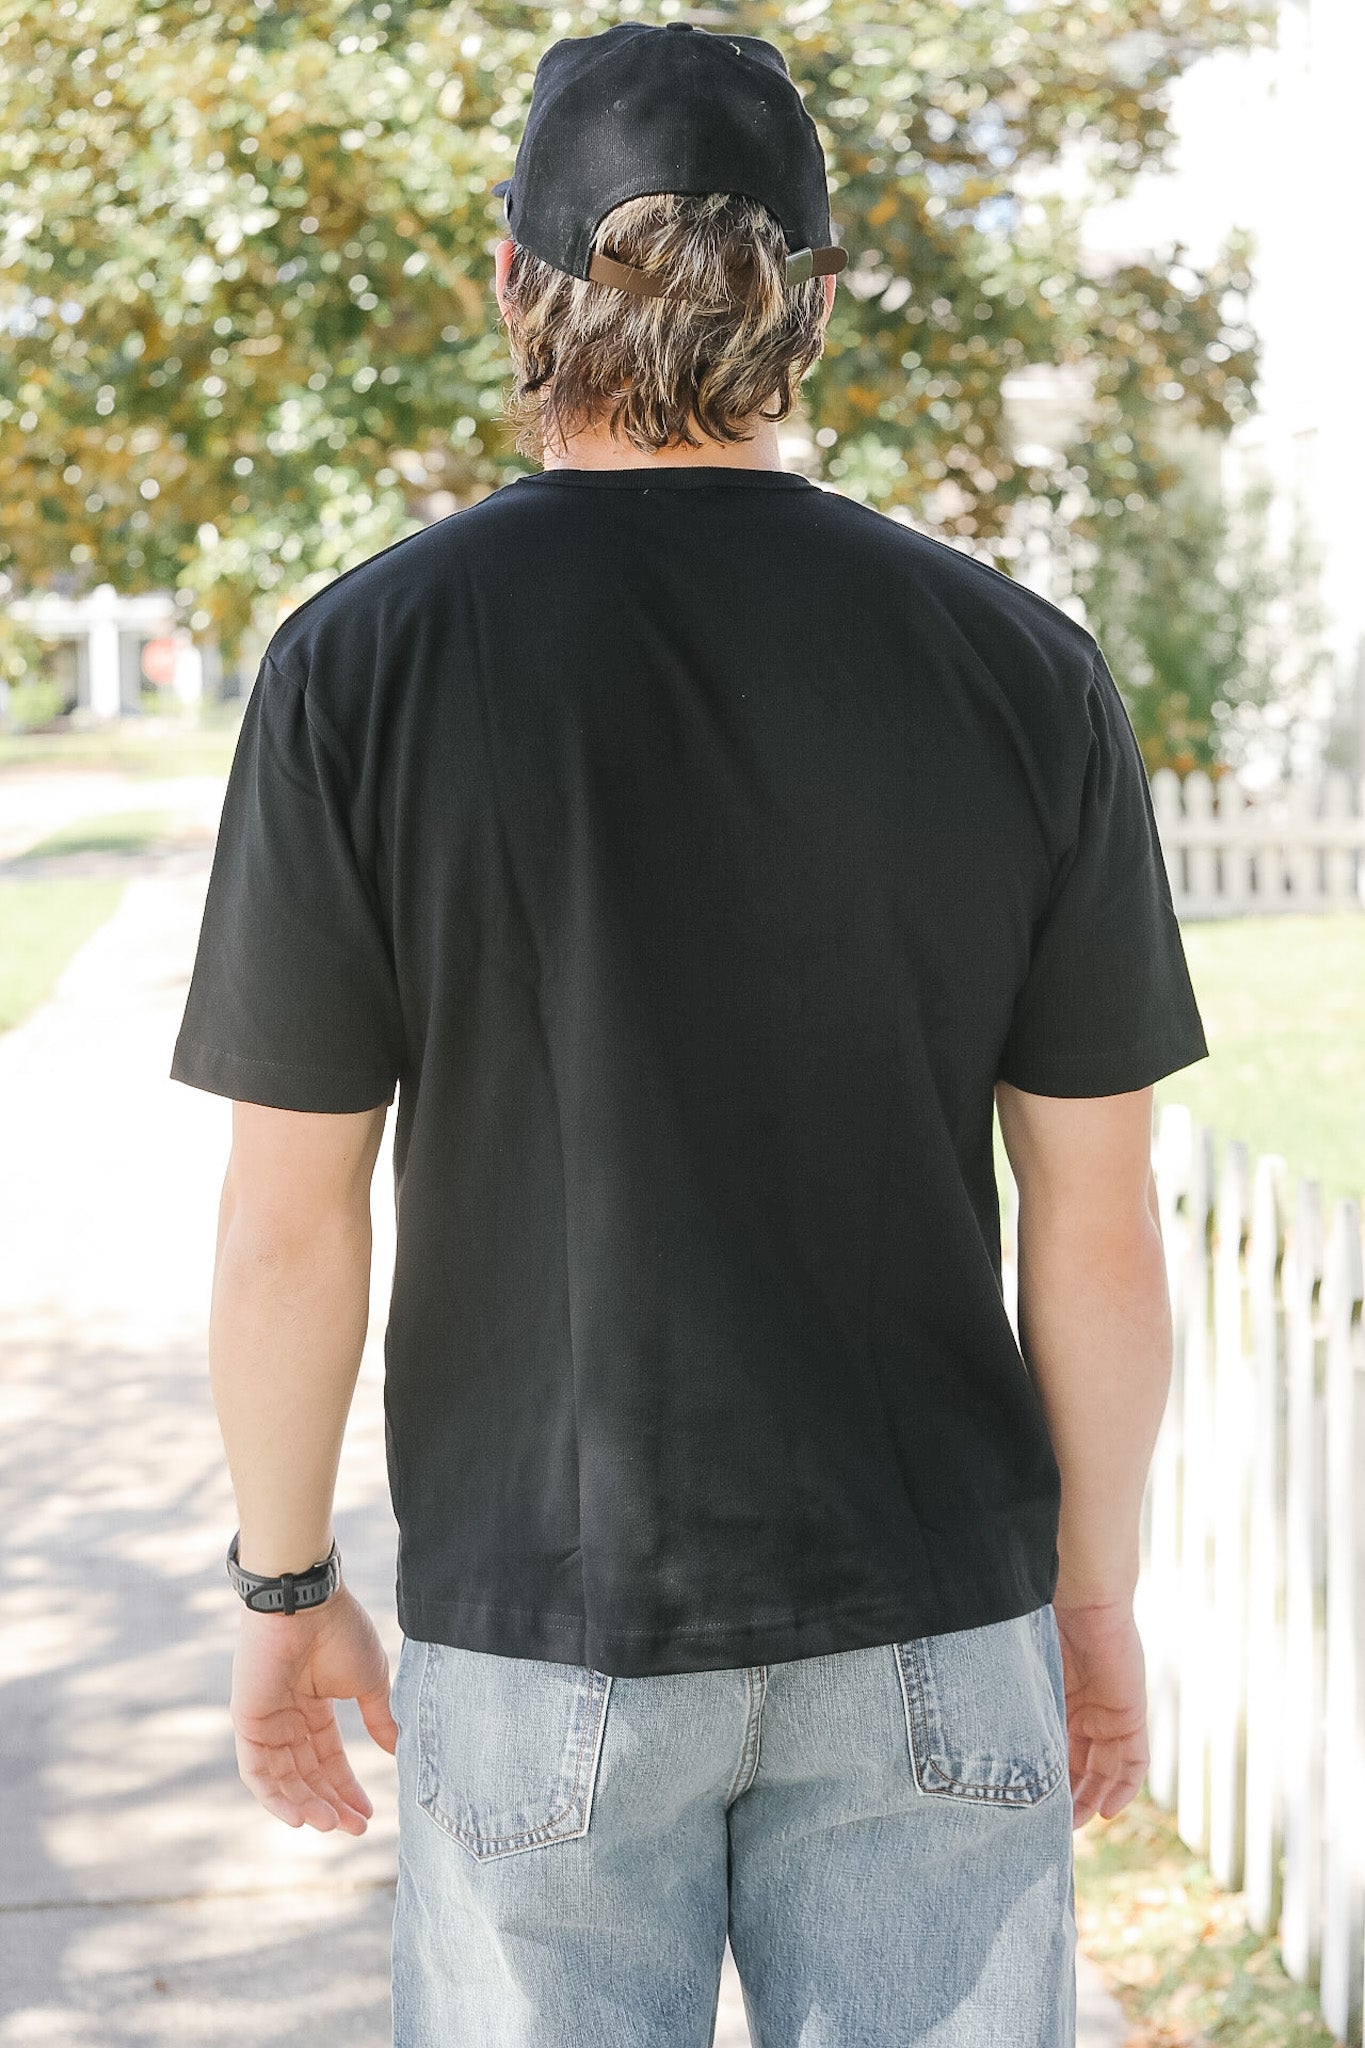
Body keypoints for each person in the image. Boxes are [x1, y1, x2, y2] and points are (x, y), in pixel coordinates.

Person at [170, 20, 1208, 2048]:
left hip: (547, 1624)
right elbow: (1092, 1216)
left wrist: (285, 1592)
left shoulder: (357, 666)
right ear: (813, 300)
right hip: (931, 1606)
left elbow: (289, 1220)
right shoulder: (1020, 671)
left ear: (511, 285)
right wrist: (1091, 1596)